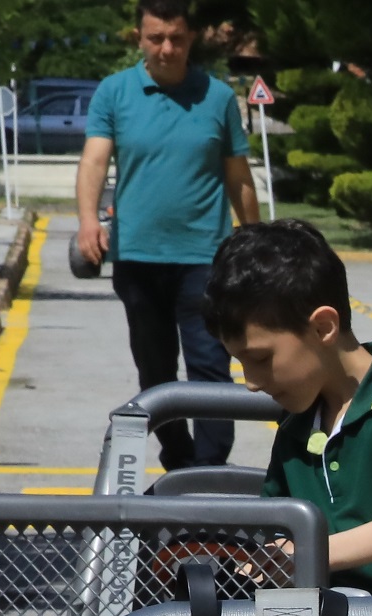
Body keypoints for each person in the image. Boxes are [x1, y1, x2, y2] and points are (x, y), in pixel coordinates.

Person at [207, 221, 372, 595]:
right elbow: (275, 534)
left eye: (259, 358)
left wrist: (307, 553)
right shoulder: (296, 425)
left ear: (323, 328)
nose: (251, 381)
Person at [77, 0, 260, 472]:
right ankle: (179, 460)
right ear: (139, 37)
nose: (166, 48)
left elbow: (238, 176)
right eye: (156, 38)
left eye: (176, 38)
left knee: (210, 366)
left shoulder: (217, 97)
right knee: (155, 370)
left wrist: (257, 241)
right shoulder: (114, 92)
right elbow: (95, 159)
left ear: (191, 38)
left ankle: (210, 467)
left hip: (205, 256)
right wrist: (88, 221)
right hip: (137, 255)